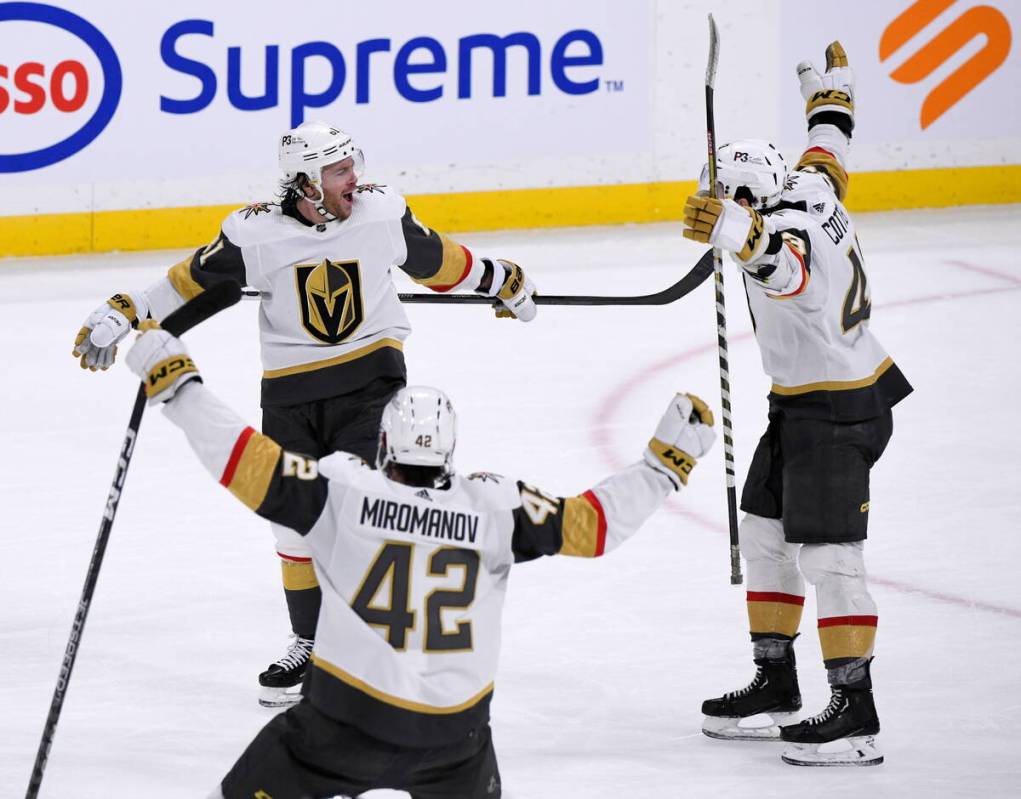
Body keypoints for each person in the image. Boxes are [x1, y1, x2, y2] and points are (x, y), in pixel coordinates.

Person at [122, 321, 716, 798]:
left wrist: (179, 386)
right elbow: (594, 527)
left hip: (340, 728)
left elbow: (246, 462)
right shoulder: (493, 506)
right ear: (450, 451)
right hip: (453, 741)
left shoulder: (344, 492)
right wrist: (663, 467)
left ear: (383, 444)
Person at [70, 121, 539, 707]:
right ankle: (309, 642)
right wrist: (125, 310)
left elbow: (440, 263)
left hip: (372, 382)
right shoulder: (253, 234)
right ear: (306, 183)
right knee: (291, 523)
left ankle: (373, 651)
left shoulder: (379, 214)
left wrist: (503, 280)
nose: (354, 179)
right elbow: (186, 284)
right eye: (339, 171)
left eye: (352, 166)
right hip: (290, 396)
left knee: (365, 512)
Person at [681, 42, 912, 766]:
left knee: (831, 558)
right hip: (801, 404)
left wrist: (737, 237)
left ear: (751, 199)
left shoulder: (792, 230)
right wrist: (830, 96)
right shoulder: (809, 186)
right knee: (763, 533)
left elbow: (784, 270)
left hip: (836, 412)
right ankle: (775, 681)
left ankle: (855, 712)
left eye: (728, 197)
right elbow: (827, 146)